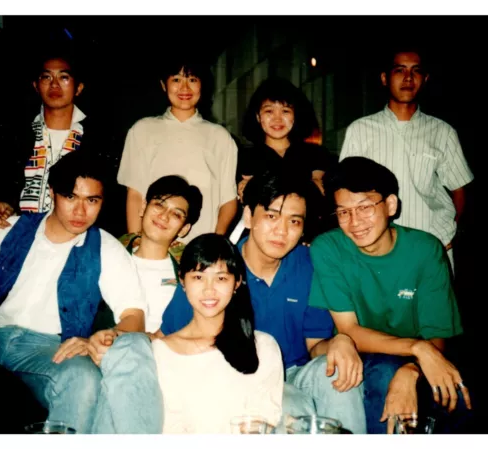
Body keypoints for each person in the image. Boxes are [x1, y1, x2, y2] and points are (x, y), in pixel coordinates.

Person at [0, 151, 147, 434]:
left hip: (50, 351)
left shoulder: (106, 248)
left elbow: (135, 316)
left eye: (92, 200)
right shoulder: (7, 229)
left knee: (84, 378)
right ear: (53, 192)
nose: (81, 212)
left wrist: (104, 336)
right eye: (71, 197)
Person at [160, 170, 367, 434]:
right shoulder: (216, 269)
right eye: (271, 216)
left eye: (294, 221)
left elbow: (315, 346)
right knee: (288, 406)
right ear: (248, 216)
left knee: (342, 374)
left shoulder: (309, 265)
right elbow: (167, 338)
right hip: (235, 371)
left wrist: (341, 341)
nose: (281, 231)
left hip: (294, 373)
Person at [308, 156, 472, 434]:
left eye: (364, 208)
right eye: (343, 212)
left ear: (391, 205)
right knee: (385, 373)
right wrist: (417, 349)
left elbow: (436, 337)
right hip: (364, 354)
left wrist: (411, 367)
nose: (354, 222)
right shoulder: (329, 248)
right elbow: (350, 331)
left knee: (460, 401)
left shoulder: (426, 250)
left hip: (416, 358)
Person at [339, 47, 474, 268]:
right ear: (385, 78)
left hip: (431, 242)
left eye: (416, 71)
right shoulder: (360, 130)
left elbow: (459, 188)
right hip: (375, 246)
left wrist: (449, 234)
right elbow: (345, 191)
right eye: (399, 70)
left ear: (425, 78)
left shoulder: (443, 131)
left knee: (432, 303)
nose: (408, 78)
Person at [156, 233, 283, 433]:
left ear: (237, 283)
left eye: (221, 278)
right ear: (182, 281)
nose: (209, 290)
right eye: (198, 277)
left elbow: (264, 422)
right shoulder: (161, 352)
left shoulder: (263, 347)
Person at [116, 56, 238, 243]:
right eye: (176, 80)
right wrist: (135, 241)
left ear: (202, 85)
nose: (184, 88)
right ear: (164, 85)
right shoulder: (142, 130)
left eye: (192, 80)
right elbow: (135, 194)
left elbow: (228, 201)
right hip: (151, 245)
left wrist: (215, 244)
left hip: (200, 249)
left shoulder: (220, 137)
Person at [0, 49, 107, 230]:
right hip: (21, 233)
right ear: (36, 85)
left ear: (78, 88)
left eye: (63, 77)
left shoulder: (97, 138)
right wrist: (2, 205)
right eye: (46, 77)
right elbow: (2, 185)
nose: (54, 85)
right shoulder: (16, 135)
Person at [94, 175, 203, 344]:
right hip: (104, 349)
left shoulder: (190, 275)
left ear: (184, 229)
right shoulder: (107, 256)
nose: (164, 216)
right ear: (143, 207)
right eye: (159, 204)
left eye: (176, 214)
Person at [238, 77, 334, 200]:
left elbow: (320, 192)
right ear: (257, 116)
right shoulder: (245, 158)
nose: (277, 119)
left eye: (285, 111)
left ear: (295, 116)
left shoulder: (317, 155)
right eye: (269, 111)